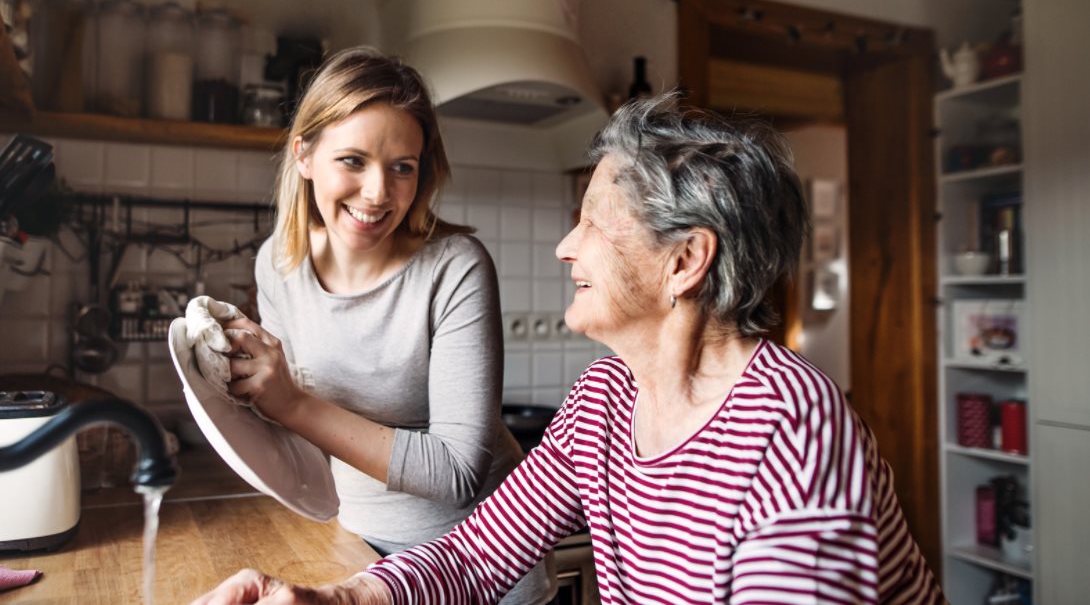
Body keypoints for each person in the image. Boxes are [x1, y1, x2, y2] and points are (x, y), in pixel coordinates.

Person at [195, 94, 945, 604]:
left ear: (684, 261)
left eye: (590, 221)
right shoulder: (604, 400)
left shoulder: (793, 427)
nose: (563, 247)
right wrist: (338, 597)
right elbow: (476, 552)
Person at [216, 46, 554, 603]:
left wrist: (292, 403)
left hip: (480, 569)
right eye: (353, 160)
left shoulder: (455, 267)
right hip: (359, 550)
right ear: (304, 155)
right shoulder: (280, 263)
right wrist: (244, 389)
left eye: (403, 167)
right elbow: (295, 432)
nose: (378, 193)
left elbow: (456, 474)